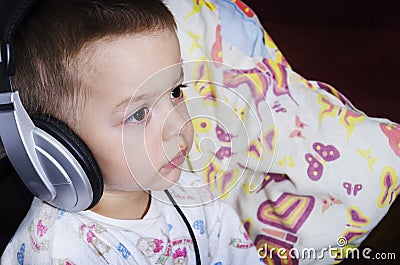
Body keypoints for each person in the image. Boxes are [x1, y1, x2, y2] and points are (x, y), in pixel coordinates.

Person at [0, 0, 262, 264]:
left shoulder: (194, 196)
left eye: (175, 91)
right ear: (59, 143)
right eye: (138, 114)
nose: (178, 125)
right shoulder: (57, 251)